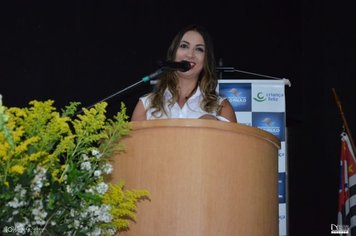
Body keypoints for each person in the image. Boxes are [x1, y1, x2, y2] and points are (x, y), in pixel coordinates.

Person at [131, 24, 237, 122]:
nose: (190, 55)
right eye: (184, 46)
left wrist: (213, 124)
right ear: (173, 53)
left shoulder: (222, 107)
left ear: (206, 60)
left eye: (199, 49)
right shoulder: (145, 105)